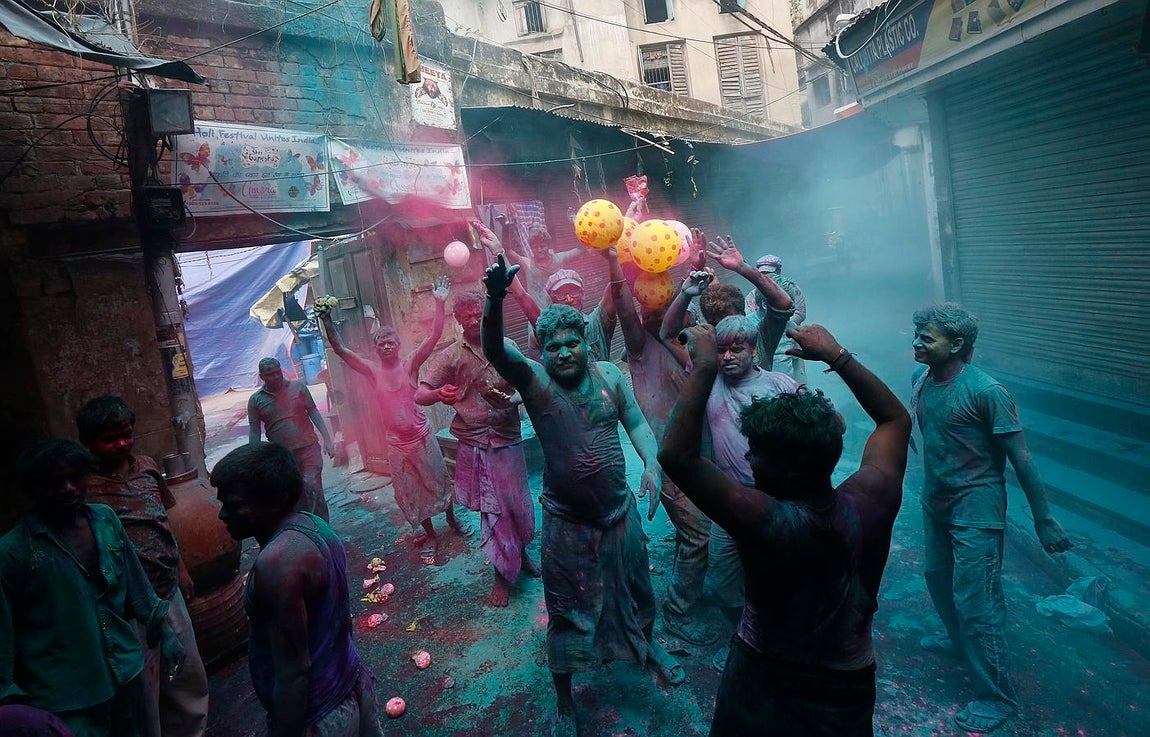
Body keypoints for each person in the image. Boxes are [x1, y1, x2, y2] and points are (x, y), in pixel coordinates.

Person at [660, 321, 911, 737]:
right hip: (846, 681)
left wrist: (702, 367)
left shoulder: (762, 518)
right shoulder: (873, 499)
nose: (750, 461)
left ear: (775, 466)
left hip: (762, 677)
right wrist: (837, 355)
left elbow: (677, 456)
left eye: (755, 453)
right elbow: (894, 419)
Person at [481, 254, 683, 737]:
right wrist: (493, 299)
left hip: (619, 513)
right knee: (568, 610)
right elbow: (495, 350)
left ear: (588, 346)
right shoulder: (534, 381)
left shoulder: (610, 375)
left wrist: (653, 464)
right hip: (567, 521)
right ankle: (566, 701)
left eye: (574, 343)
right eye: (555, 346)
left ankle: (647, 645)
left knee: (639, 592)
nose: (566, 352)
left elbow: (635, 421)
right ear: (543, 351)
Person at [911, 303, 1072, 734]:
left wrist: (1043, 520)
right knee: (935, 577)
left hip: (976, 509)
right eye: (917, 335)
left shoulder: (987, 392)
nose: (916, 343)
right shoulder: (921, 380)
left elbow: (1021, 459)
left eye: (926, 338)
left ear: (958, 344)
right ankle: (959, 642)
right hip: (936, 502)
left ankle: (997, 695)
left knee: (977, 602)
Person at [0, 440, 185, 737]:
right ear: (33, 490)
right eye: (55, 482)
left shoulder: (105, 520)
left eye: (75, 478)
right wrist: (8, 696)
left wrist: (164, 631)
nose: (69, 488)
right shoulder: (13, 552)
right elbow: (3, 635)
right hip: (67, 697)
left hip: (125, 671)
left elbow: (138, 586)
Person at [212, 442, 382, 737]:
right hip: (350, 682)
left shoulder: (278, 564)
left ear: (274, 502)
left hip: (321, 716)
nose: (223, 515)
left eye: (234, 505)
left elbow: (294, 671)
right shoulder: (314, 525)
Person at [77, 397, 209, 737]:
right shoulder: (81, 486)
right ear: (87, 442)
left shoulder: (148, 467)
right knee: (145, 690)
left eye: (126, 434)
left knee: (188, 676)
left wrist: (180, 570)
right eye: (110, 439)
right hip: (125, 608)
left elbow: (162, 521)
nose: (122, 443)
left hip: (166, 590)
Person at [318, 278, 466, 562]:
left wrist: (438, 300)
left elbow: (434, 336)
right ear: (376, 349)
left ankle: (452, 520)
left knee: (439, 481)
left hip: (421, 437)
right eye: (381, 343)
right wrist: (327, 321)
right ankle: (430, 535)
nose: (386, 347)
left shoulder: (410, 364)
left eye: (390, 342)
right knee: (410, 492)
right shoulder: (372, 371)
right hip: (397, 445)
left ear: (398, 345)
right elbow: (341, 350)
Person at [609, 251, 715, 646]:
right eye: (648, 307)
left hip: (701, 455)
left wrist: (694, 274)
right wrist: (614, 261)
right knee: (699, 534)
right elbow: (623, 310)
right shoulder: (640, 349)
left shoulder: (688, 344)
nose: (654, 313)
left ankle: (688, 582)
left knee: (701, 530)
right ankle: (677, 609)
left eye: (664, 303)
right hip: (669, 459)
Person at [415, 290, 539, 607]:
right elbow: (421, 394)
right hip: (477, 443)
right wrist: (439, 393)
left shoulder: (506, 348)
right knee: (494, 510)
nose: (473, 320)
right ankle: (502, 575)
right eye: (467, 315)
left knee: (517, 504)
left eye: (478, 315)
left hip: (508, 438)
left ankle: (521, 554)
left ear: (488, 315)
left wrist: (513, 399)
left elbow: (532, 383)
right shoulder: (452, 355)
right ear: (458, 320)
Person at [475, 222, 618, 363]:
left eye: (573, 292)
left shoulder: (594, 323)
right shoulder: (528, 264)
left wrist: (611, 243)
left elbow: (615, 287)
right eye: (561, 294)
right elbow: (521, 295)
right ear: (552, 298)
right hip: (540, 318)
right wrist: (502, 240)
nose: (568, 299)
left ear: (583, 294)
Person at [661, 234, 794, 371]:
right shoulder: (702, 353)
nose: (727, 331)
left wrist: (742, 267)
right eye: (718, 324)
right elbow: (669, 335)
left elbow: (783, 304)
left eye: (730, 321)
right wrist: (686, 290)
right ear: (708, 324)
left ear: (744, 315)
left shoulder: (759, 337)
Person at [247, 357, 336, 521]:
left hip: (309, 448)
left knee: (312, 486)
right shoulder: (256, 400)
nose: (275, 377)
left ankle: (324, 528)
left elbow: (313, 412)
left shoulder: (298, 387)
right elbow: (254, 432)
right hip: (282, 456)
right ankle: (307, 531)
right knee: (294, 495)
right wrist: (254, 459)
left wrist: (328, 440)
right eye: (270, 374)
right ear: (262, 377)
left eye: (277, 372)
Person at [745, 255, 807, 383]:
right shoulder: (752, 296)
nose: (766, 276)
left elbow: (800, 313)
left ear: (778, 271)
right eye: (763, 273)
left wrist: (783, 323)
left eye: (769, 273)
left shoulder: (791, 289)